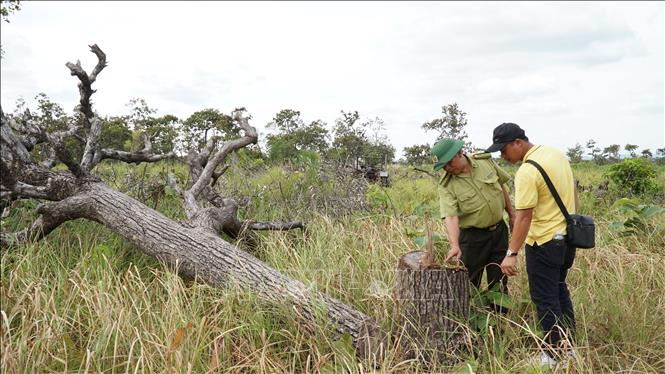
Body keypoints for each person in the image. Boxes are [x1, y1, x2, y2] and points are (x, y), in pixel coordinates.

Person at [485, 123, 578, 367]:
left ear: (518, 142)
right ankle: (569, 350)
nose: (503, 157)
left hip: (544, 242)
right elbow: (574, 194)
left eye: (504, 150)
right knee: (559, 290)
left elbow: (523, 216)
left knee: (545, 298)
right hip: (567, 239)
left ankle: (553, 356)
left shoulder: (527, 171)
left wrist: (511, 253)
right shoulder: (555, 154)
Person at [431, 138, 515, 297]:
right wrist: (455, 245)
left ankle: (498, 316)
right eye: (443, 167)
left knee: (499, 277)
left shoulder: (485, 161)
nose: (447, 169)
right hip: (472, 238)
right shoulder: (446, 185)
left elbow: (501, 186)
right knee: (469, 282)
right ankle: (470, 318)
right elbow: (450, 216)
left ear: (460, 153)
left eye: (449, 163)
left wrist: (512, 214)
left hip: (499, 230)